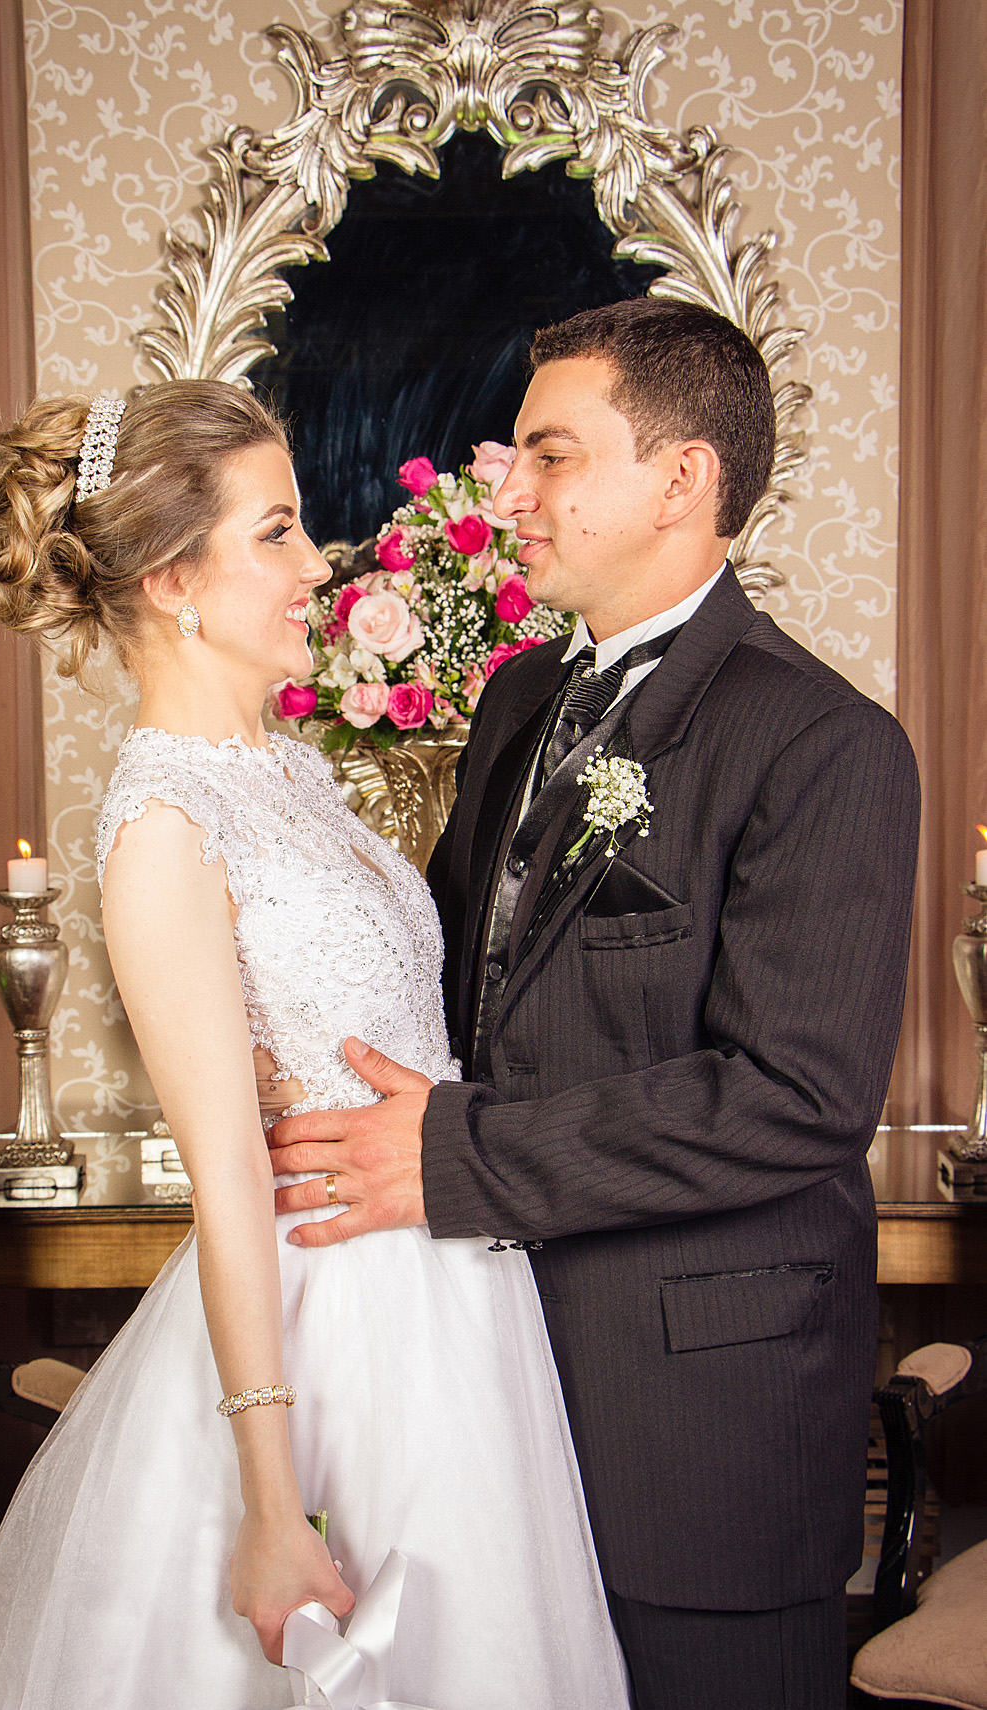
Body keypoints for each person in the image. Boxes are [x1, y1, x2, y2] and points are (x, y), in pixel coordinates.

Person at [0, 379, 629, 1709]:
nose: (322, 562)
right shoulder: (163, 825)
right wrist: (269, 1497)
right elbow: (229, 1178)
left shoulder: (298, 774)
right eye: (280, 531)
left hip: (456, 1299)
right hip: (332, 1328)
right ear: (176, 577)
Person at [266, 300, 921, 1710]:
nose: (509, 488)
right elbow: (453, 986)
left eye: (552, 454)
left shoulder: (827, 745)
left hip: (700, 1431)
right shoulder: (517, 699)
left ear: (682, 480)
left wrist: (450, 1155)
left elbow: (794, 1099)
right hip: (489, 1388)